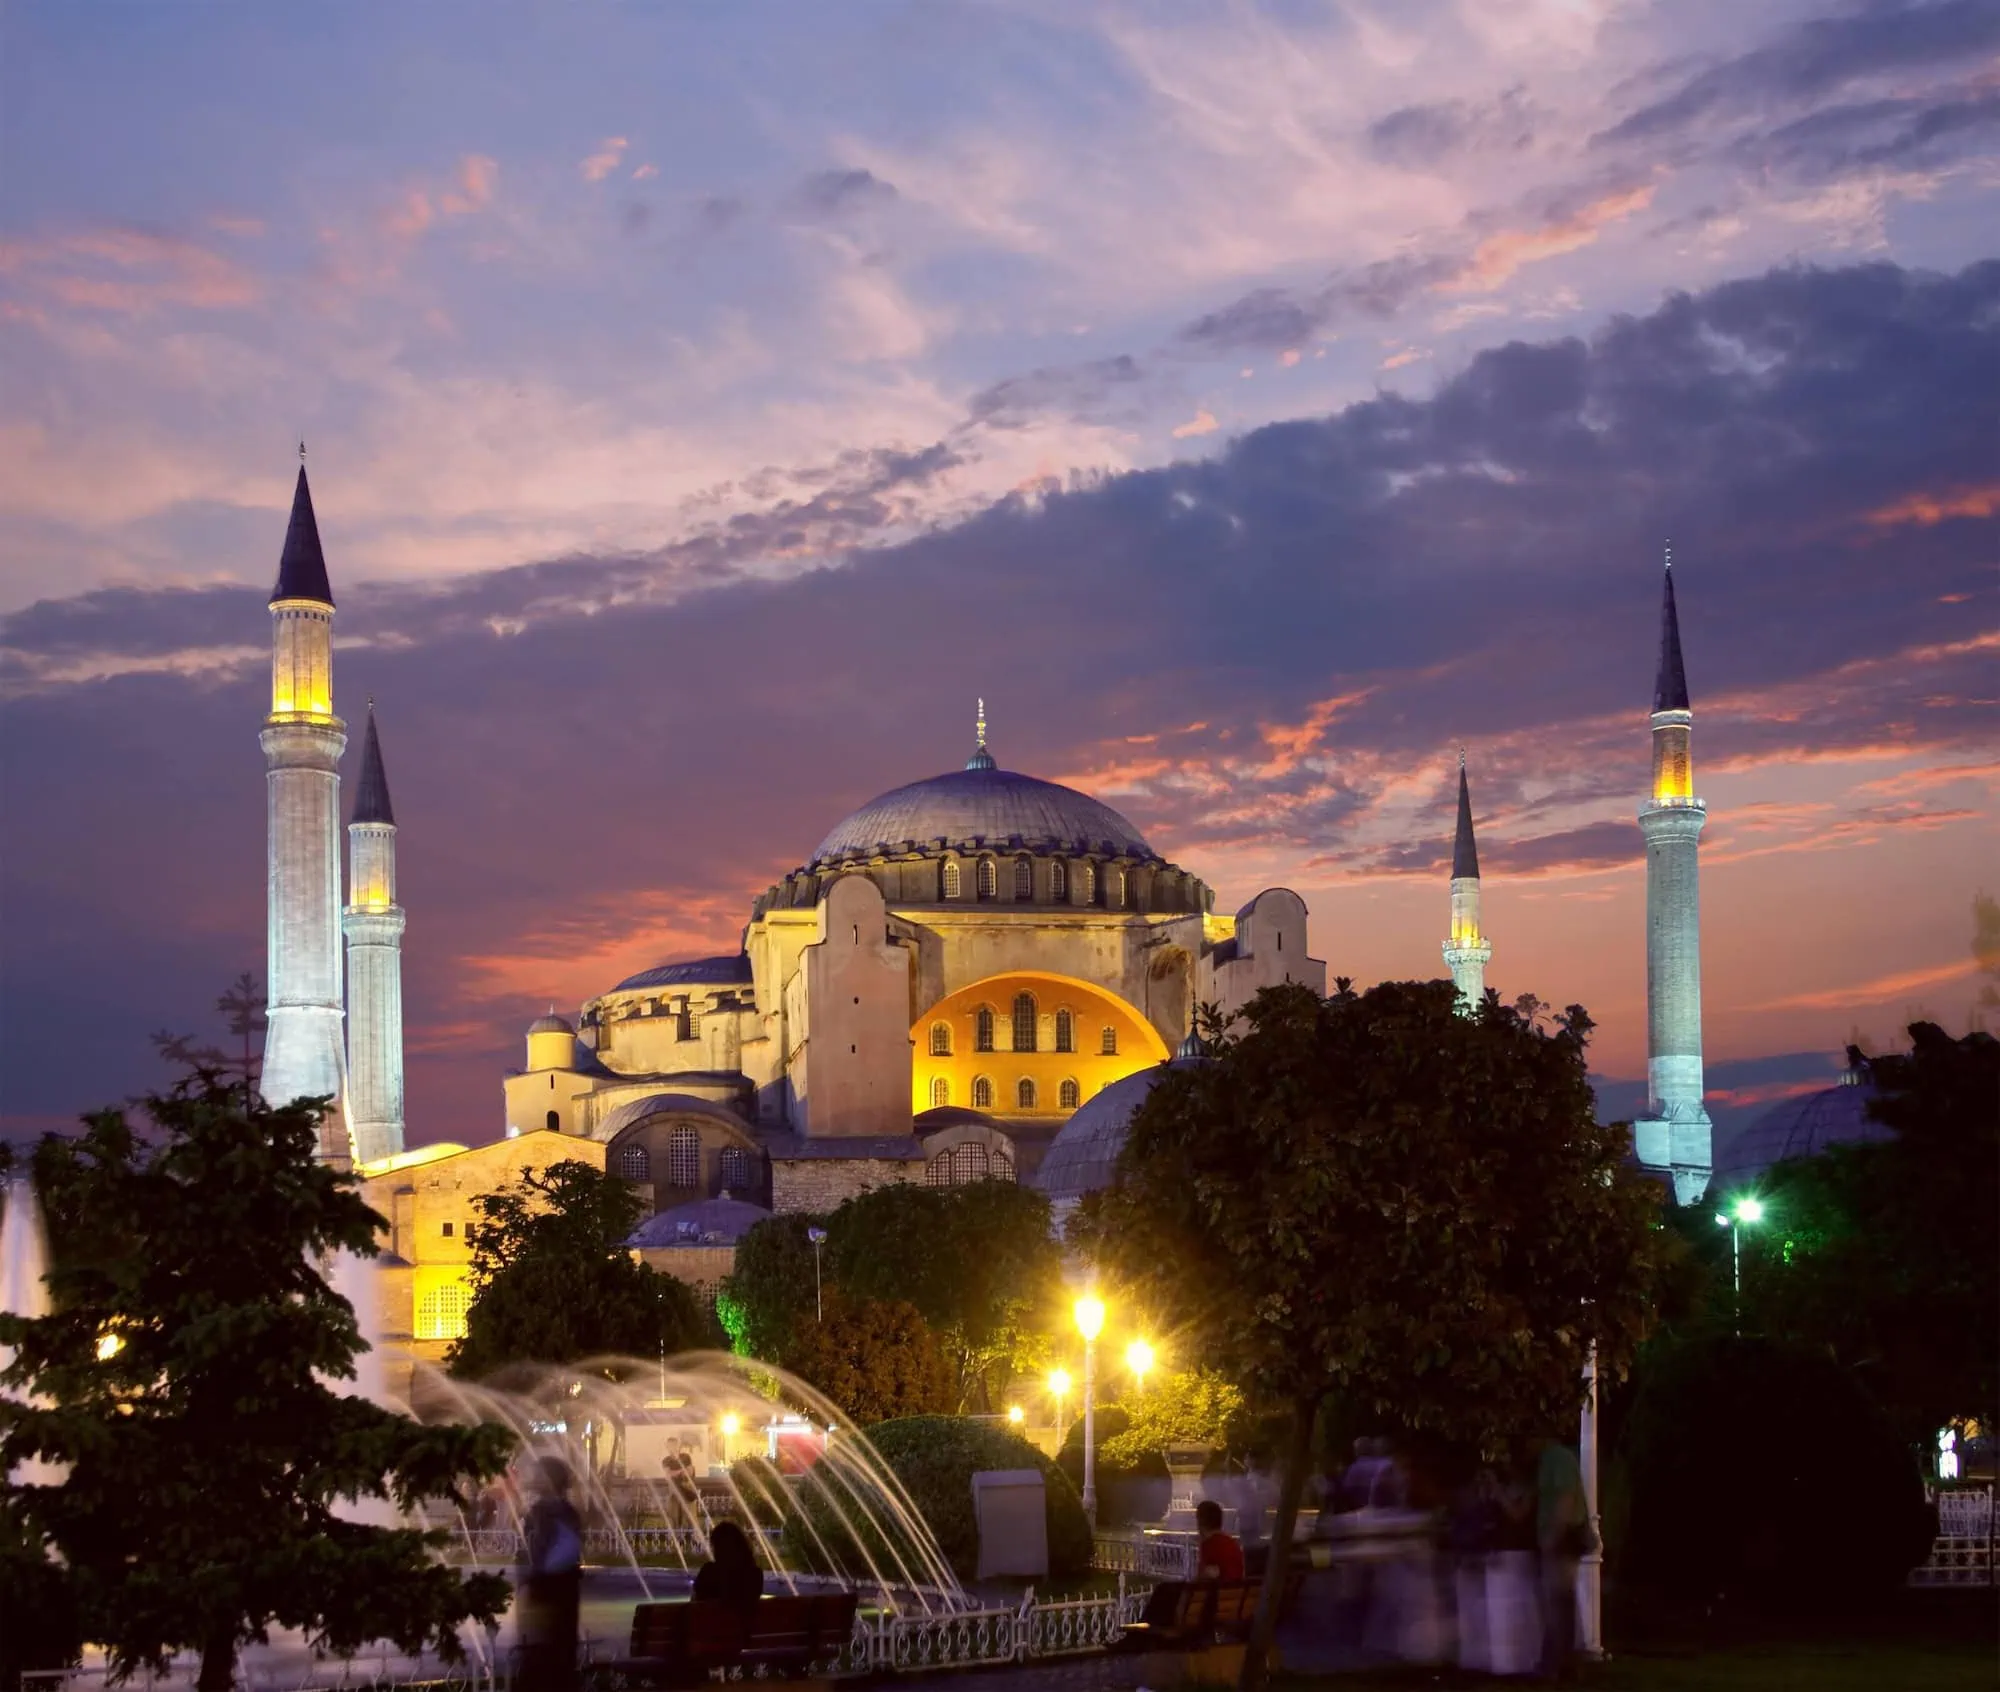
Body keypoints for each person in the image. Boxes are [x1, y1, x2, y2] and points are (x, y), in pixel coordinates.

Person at [517, 1456, 583, 1692]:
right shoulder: (570, 1513)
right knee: (561, 1661)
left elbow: (535, 1555)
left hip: (544, 1595)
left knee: (538, 1662)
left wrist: (527, 1581)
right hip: (565, 1594)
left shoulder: (540, 1514)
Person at [1533, 1436, 1591, 1683]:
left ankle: (1557, 1665)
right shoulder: (1548, 1460)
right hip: (1559, 1540)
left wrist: (1552, 1536)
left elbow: (1564, 1500)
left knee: (1558, 1604)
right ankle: (1562, 1664)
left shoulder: (1557, 1459)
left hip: (1562, 1541)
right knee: (1560, 1604)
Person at [693, 1519, 765, 1612]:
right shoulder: (755, 1574)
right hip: (743, 1625)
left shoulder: (709, 1572)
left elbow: (695, 1603)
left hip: (712, 1624)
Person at [1194, 1498, 1245, 1583]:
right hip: (1236, 1594)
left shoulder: (1209, 1545)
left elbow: (1205, 1578)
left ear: (1200, 1522)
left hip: (1220, 1594)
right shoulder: (1232, 1543)